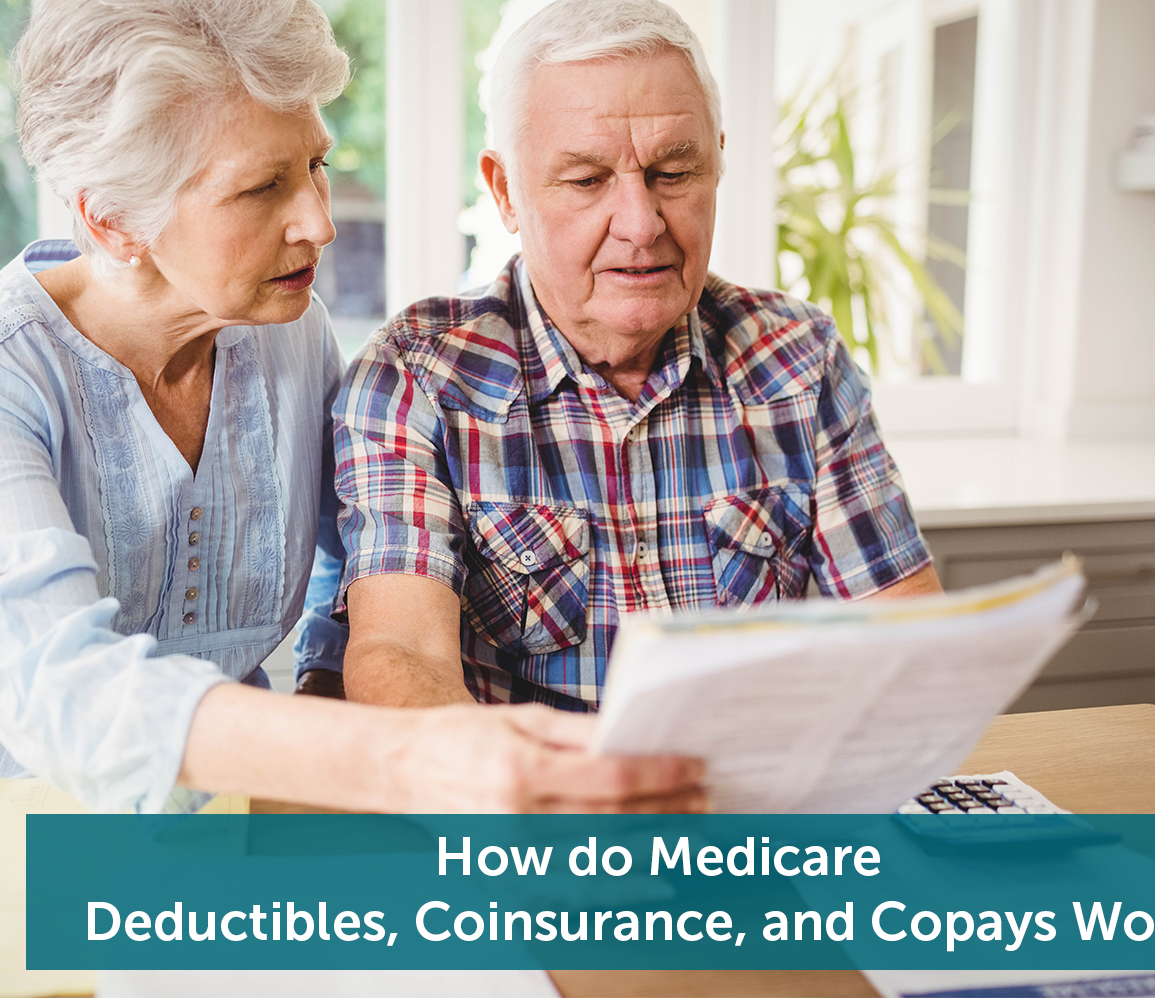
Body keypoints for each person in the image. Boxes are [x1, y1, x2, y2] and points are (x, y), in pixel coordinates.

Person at [0, 0, 704, 815]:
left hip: (179, 843)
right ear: (117, 222)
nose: (319, 221)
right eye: (260, 188)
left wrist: (328, 721)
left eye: (313, 164)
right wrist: (401, 756)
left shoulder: (287, 332)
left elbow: (348, 571)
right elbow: (60, 687)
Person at [327, 0, 943, 713]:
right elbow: (399, 657)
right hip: (539, 811)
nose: (642, 225)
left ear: (716, 162)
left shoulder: (799, 360)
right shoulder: (418, 377)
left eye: (673, 173)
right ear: (506, 193)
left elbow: (908, 632)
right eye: (587, 181)